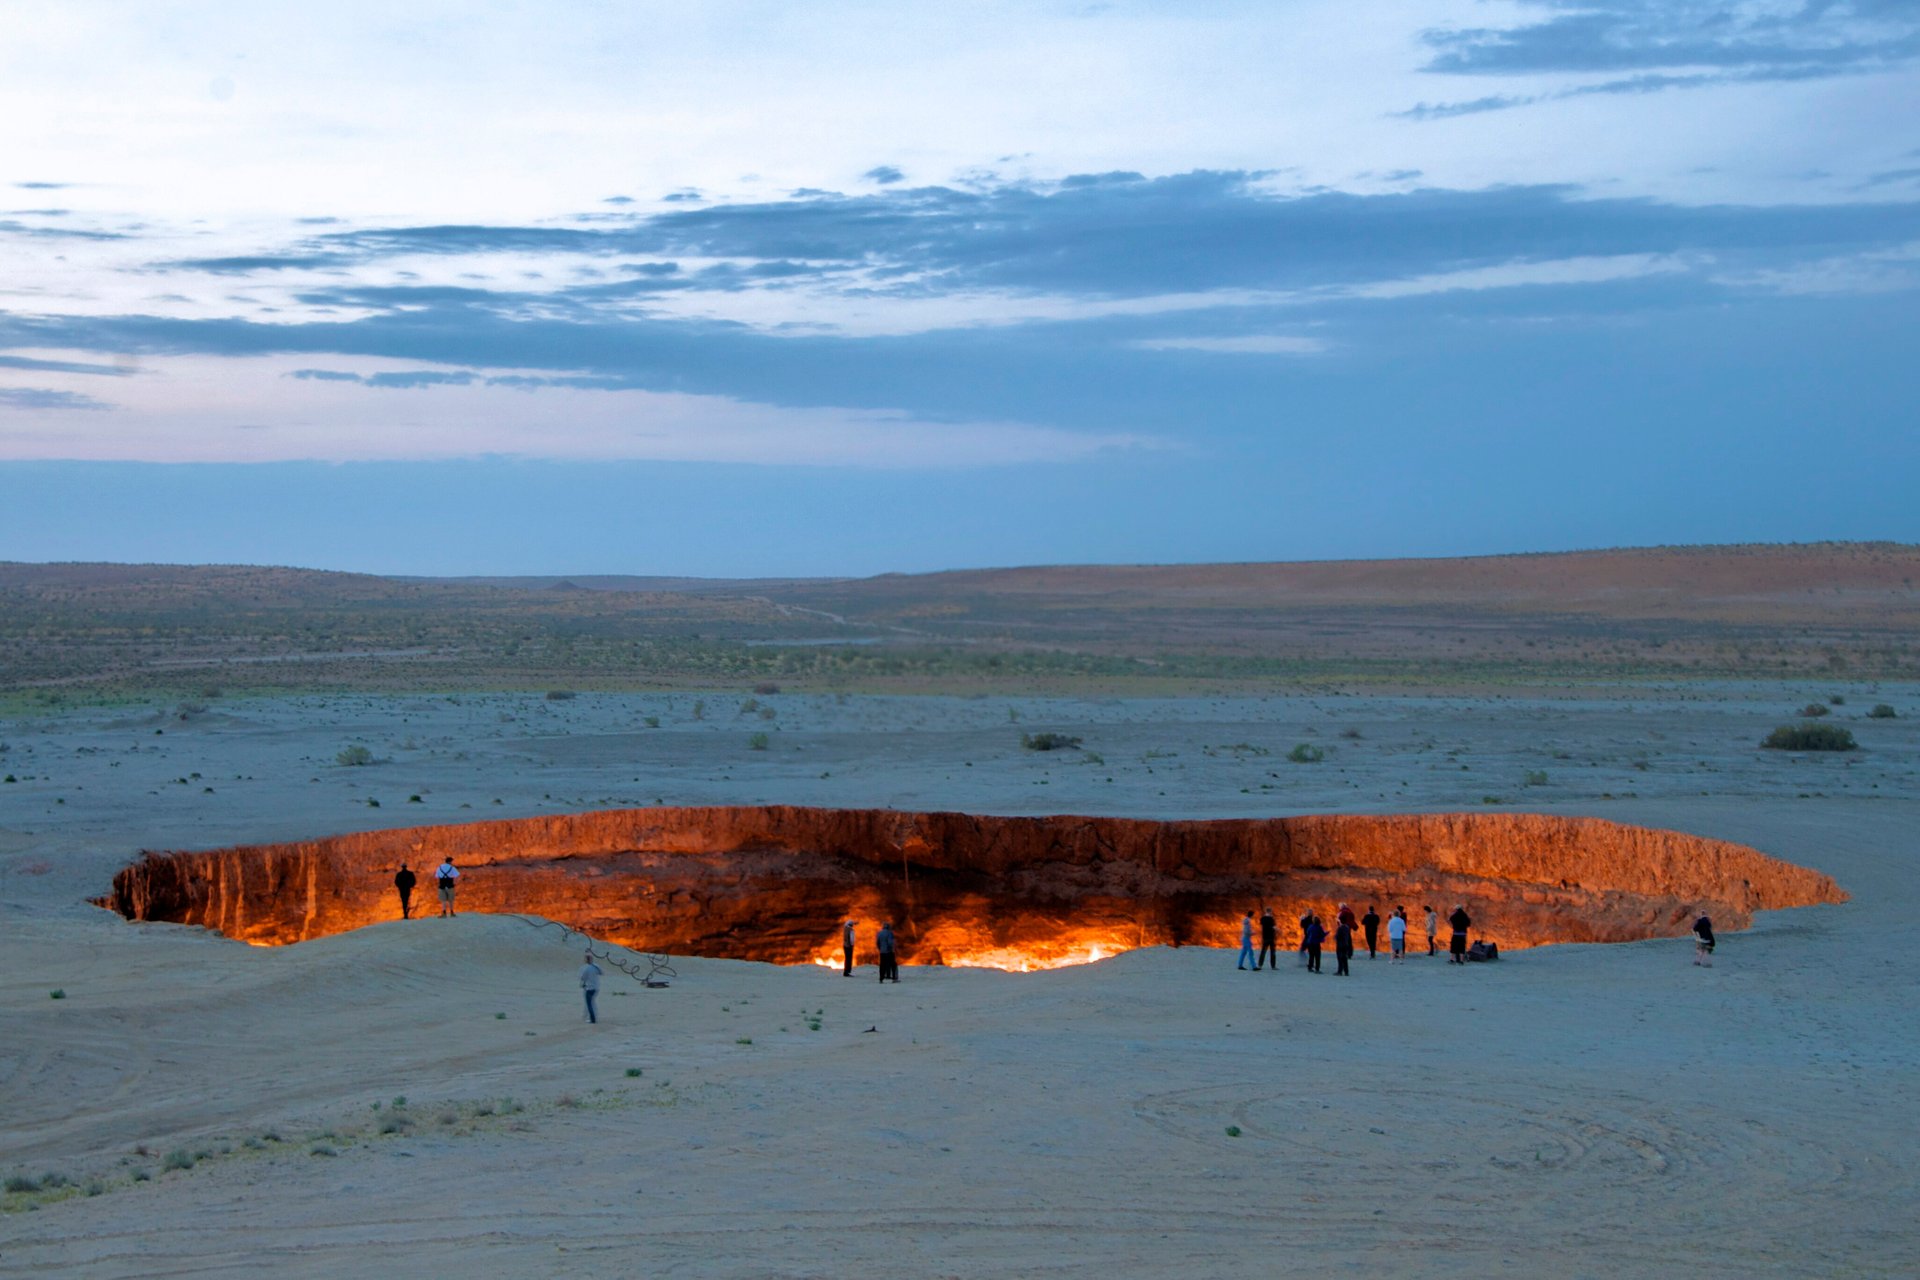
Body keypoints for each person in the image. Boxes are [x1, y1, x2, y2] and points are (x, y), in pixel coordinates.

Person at [580, 951, 602, 1023]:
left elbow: (583, 978)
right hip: (596, 987)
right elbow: (601, 972)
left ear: (586, 960)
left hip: (589, 988)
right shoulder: (596, 966)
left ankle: (593, 1019)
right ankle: (589, 1016)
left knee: (590, 1004)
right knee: (592, 1002)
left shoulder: (586, 968)